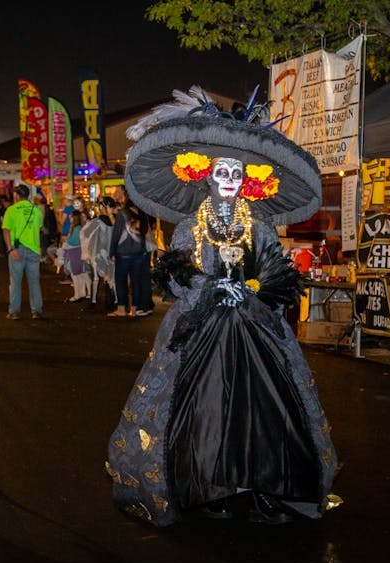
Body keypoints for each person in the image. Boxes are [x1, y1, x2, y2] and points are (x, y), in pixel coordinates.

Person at [106, 85, 338, 526]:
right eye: (222, 172)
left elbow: (278, 274)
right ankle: (206, 485)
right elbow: (175, 275)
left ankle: (268, 487)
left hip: (255, 328)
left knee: (265, 407)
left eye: (237, 172)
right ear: (209, 176)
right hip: (203, 326)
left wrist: (252, 289)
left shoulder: (261, 225)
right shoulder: (191, 225)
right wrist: (209, 287)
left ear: (245, 179)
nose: (229, 179)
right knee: (205, 408)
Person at [2, 183, 44, 320]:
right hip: (34, 250)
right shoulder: (36, 210)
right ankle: (36, 311)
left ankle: (14, 311)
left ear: (17, 195)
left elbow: (6, 231)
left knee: (15, 282)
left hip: (17, 250)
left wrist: (9, 249)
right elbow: (38, 228)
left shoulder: (11, 210)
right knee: (34, 282)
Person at [107, 200, 149, 317]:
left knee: (121, 281)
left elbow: (116, 233)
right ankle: (134, 309)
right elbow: (144, 233)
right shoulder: (142, 214)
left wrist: (112, 251)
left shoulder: (122, 214)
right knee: (136, 282)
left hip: (123, 253)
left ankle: (121, 308)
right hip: (139, 253)